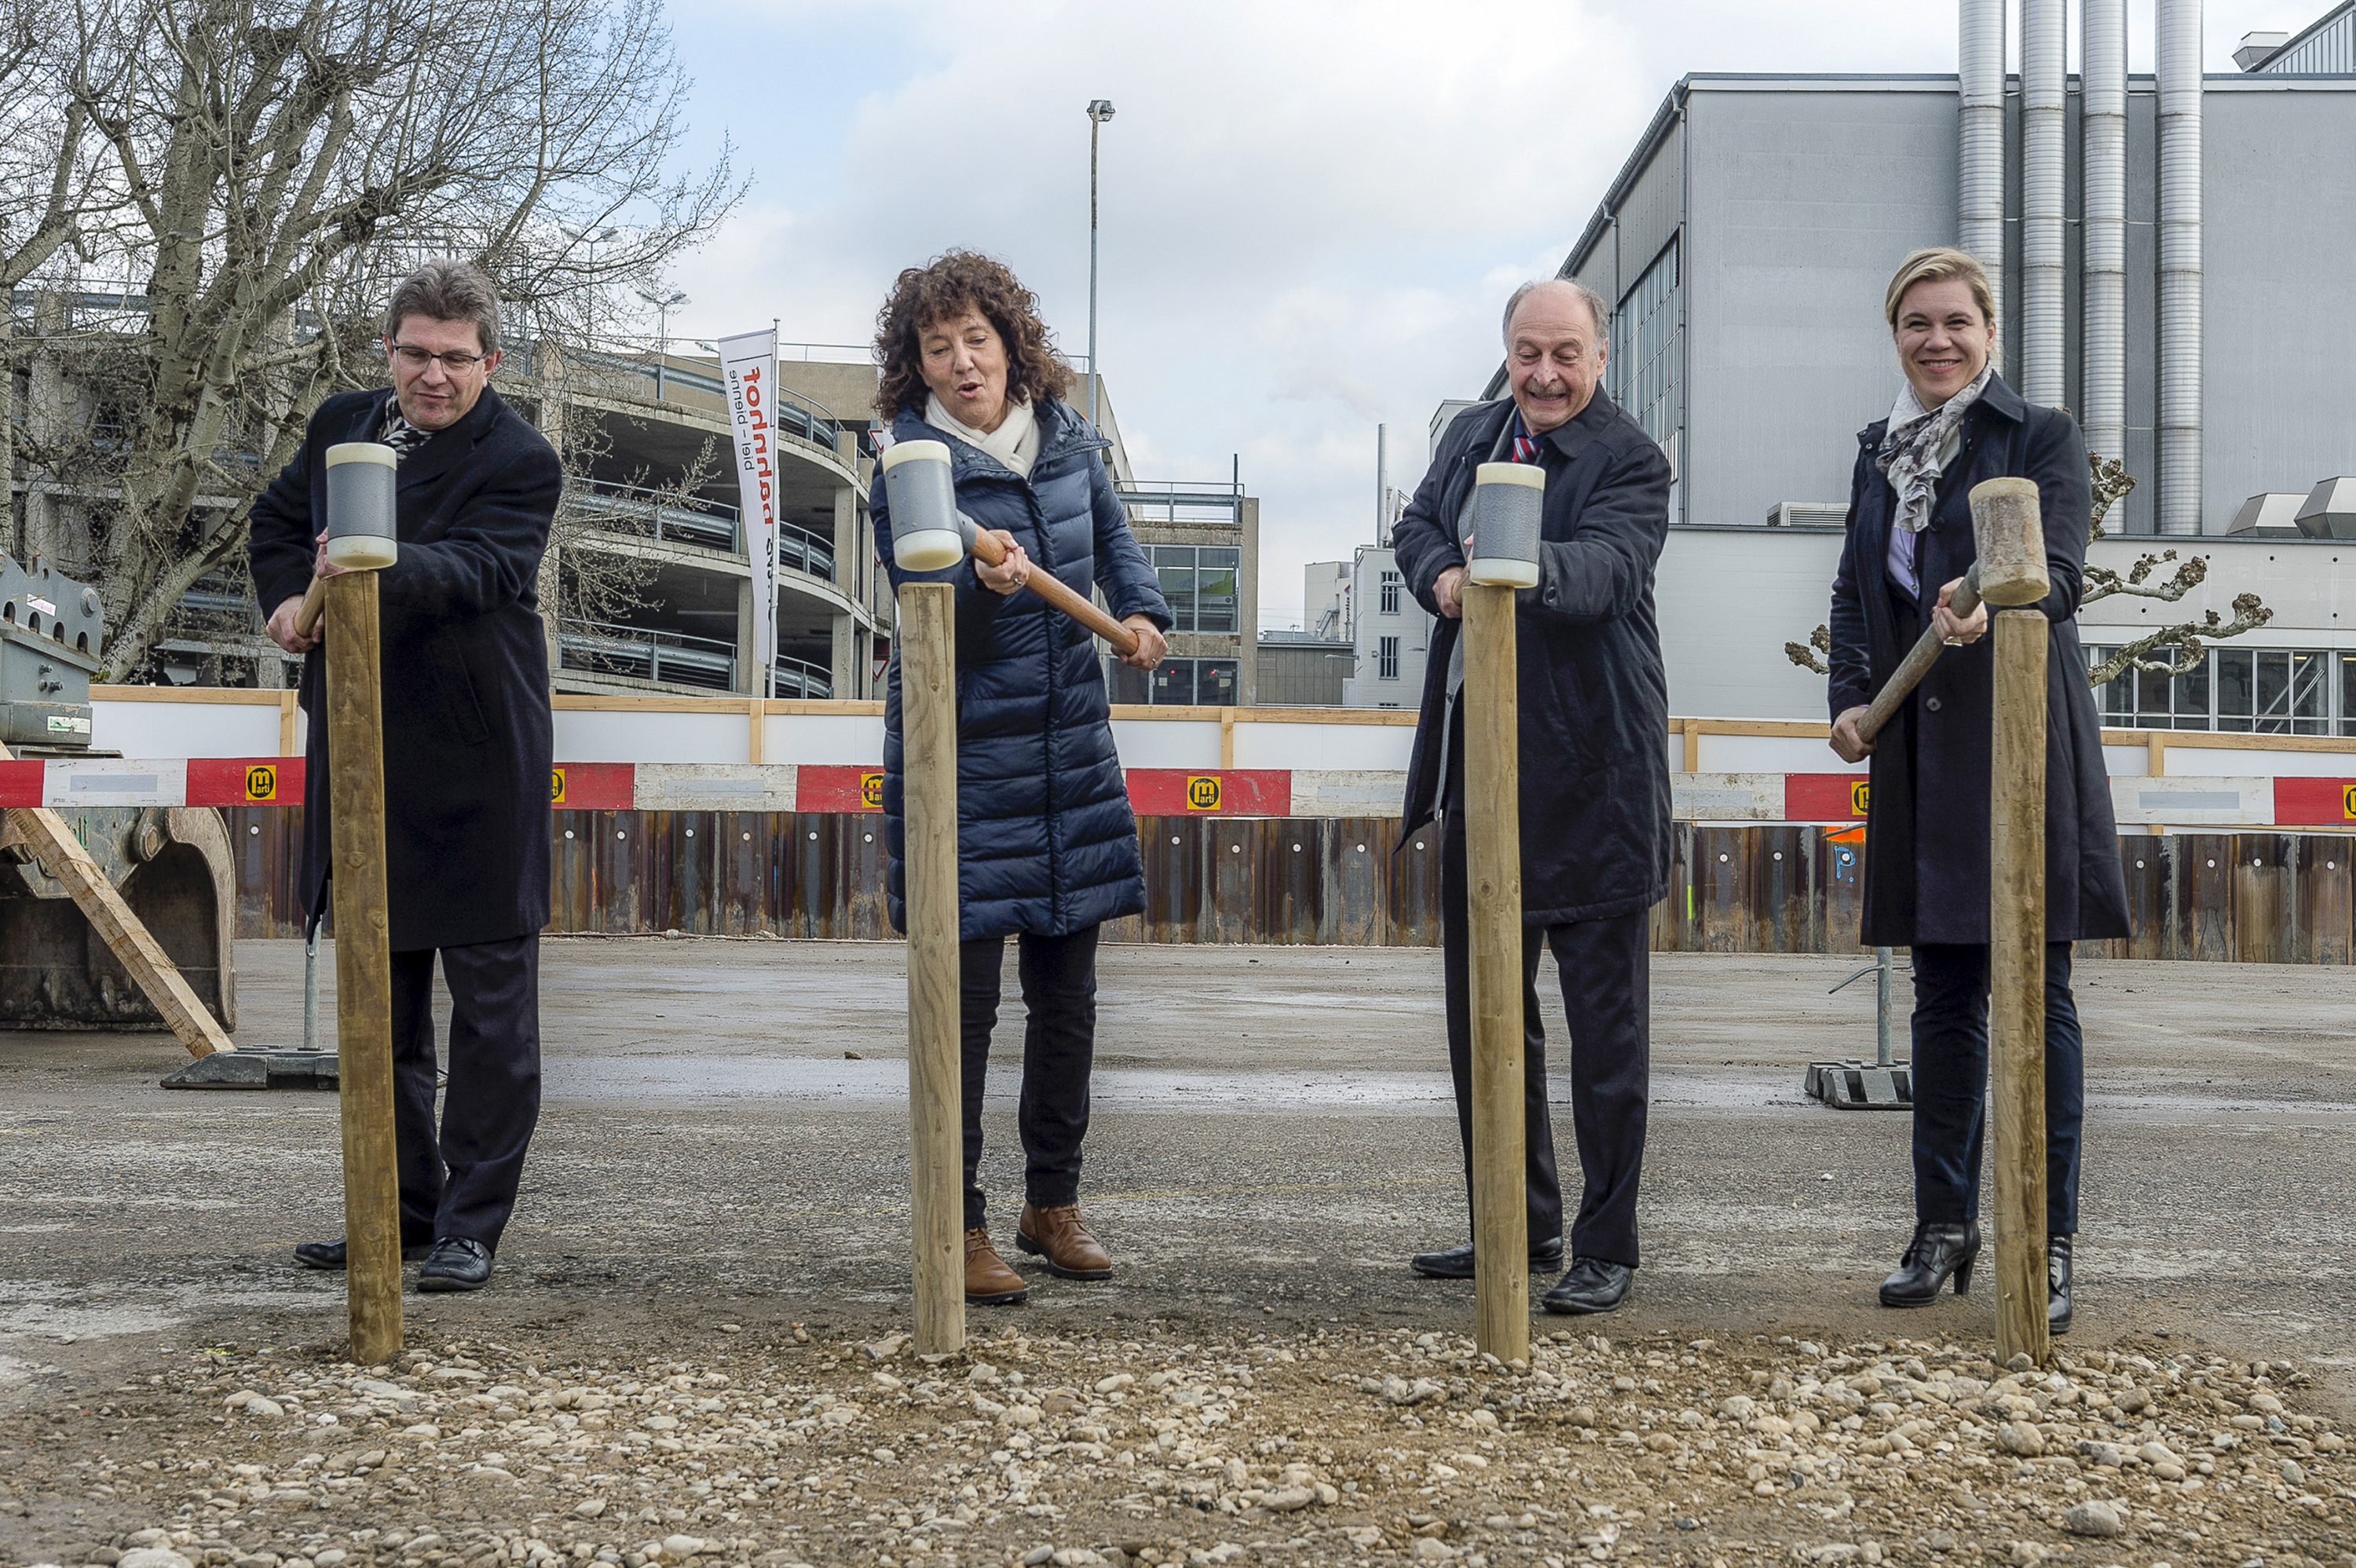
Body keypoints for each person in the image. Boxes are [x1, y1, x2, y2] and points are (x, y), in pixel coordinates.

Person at [1826, 247, 2131, 1334]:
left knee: (2036, 999)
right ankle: (1943, 1227)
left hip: (2016, 745)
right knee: (1944, 1001)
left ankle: (2042, 1236)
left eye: (1956, 321)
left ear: (1989, 332)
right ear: (1896, 334)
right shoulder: (1878, 455)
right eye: (1917, 323)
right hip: (1917, 749)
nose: (1937, 339)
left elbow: (2060, 573)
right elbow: (1857, 593)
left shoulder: (2035, 435)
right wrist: (1852, 696)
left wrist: (2001, 595)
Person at [252, 258, 561, 1294]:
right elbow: (277, 528)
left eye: (456, 359)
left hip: (478, 761)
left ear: (491, 360)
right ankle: (396, 1206)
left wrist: (371, 562)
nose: (434, 375)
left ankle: (473, 1220)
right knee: (377, 1010)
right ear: (387, 351)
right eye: (416, 354)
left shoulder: (522, 459)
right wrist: (286, 607)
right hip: (360, 750)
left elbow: (485, 569)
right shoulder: (343, 424)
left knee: (489, 1020)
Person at [869, 250, 1171, 1307]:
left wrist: (1141, 615)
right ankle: (959, 1225)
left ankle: (1055, 1203)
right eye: (938, 346)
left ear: (1011, 343)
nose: (962, 363)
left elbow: (1117, 543)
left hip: (1069, 754)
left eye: (977, 340)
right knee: (965, 1006)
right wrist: (985, 584)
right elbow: (926, 593)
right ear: (917, 364)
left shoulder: (1066, 441)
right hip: (964, 760)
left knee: (1069, 997)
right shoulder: (909, 466)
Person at [1392, 278, 1674, 1317]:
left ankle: (1607, 1241)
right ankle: (1515, 1215)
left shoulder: (1632, 459)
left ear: (1599, 357)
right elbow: (1417, 526)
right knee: (1489, 1021)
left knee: (1607, 1037)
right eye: (1526, 353)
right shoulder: (1472, 434)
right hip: (1485, 775)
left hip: (1598, 777)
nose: (1544, 375)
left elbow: (1606, 571)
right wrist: (1442, 581)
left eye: (1565, 353)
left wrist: (1505, 565)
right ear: (1505, 353)